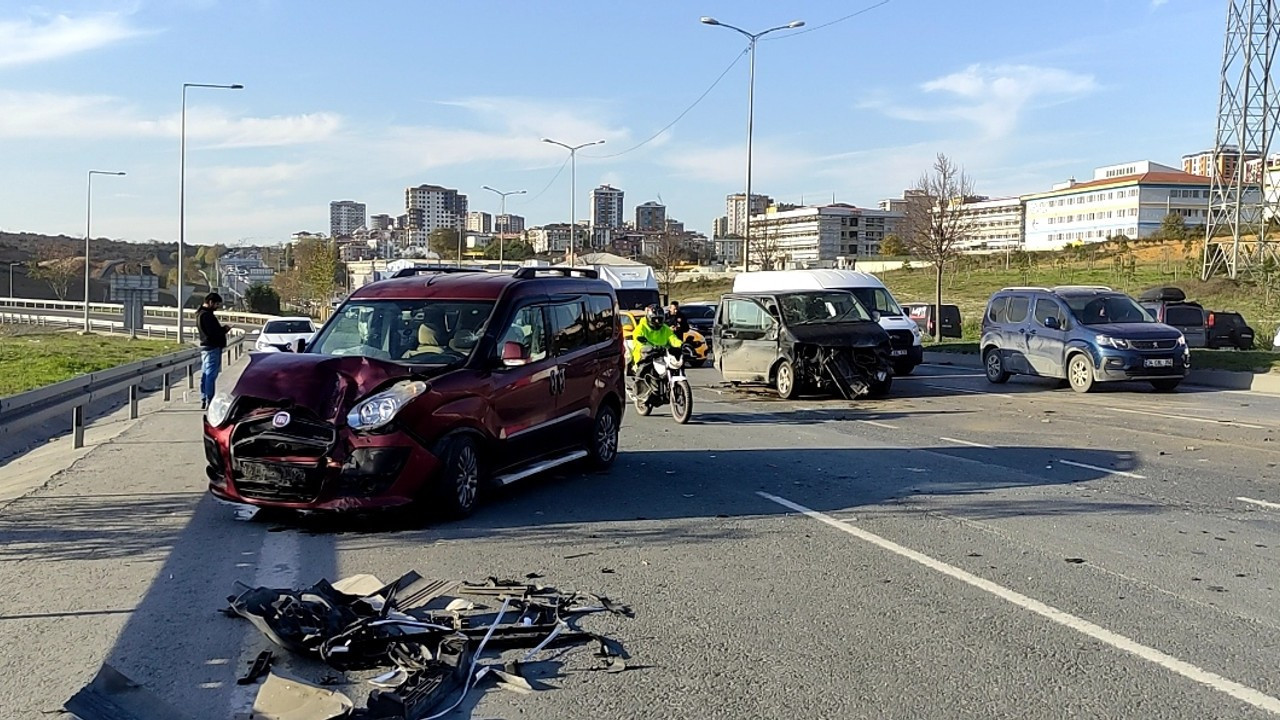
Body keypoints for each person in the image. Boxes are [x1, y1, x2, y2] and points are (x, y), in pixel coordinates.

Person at [631, 305, 683, 403]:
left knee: (677, 363)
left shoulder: (665, 328)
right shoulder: (641, 327)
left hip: (662, 354)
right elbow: (637, 338)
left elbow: (672, 338)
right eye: (655, 319)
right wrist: (647, 347)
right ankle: (640, 392)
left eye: (660, 319)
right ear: (649, 318)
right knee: (644, 368)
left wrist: (680, 345)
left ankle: (677, 390)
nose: (658, 322)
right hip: (645, 354)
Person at [195, 292, 230, 410]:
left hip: (206, 348)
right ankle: (209, 399)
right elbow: (213, 333)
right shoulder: (207, 316)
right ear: (210, 302)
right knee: (210, 375)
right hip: (212, 348)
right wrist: (224, 330)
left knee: (205, 374)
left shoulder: (200, 314)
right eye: (216, 304)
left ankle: (204, 398)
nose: (217, 307)